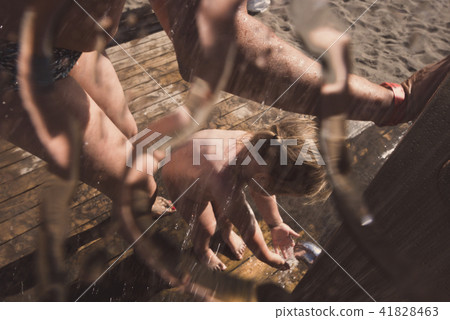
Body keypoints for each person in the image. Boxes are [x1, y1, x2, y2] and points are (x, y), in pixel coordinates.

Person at [160, 118, 330, 270]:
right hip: (184, 187)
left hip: (204, 174)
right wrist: (267, 256)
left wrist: (276, 224)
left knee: (226, 212)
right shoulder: (222, 177)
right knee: (207, 227)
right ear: (263, 180)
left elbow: (261, 193)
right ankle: (202, 250)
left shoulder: (264, 146)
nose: (273, 194)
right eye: (276, 191)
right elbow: (246, 224)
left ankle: (226, 233)